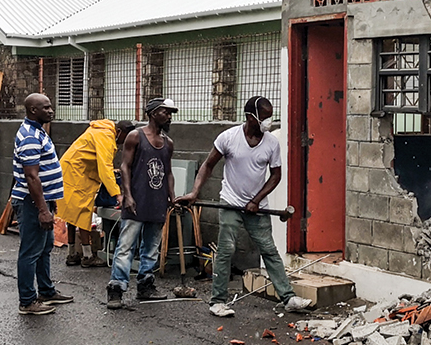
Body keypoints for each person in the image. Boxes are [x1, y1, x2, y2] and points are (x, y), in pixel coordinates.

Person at [176, 96, 311, 317]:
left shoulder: (271, 143)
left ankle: (288, 298)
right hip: (230, 202)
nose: (268, 123)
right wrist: (194, 192)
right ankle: (217, 301)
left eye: (269, 117)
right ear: (250, 117)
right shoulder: (228, 138)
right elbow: (208, 165)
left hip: (256, 208)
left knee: (269, 250)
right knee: (226, 250)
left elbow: (276, 176)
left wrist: (256, 201)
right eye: (264, 118)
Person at [106, 99, 176, 309]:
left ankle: (145, 285)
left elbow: (168, 172)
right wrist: (127, 194)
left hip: (157, 202)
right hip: (137, 200)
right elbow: (125, 166)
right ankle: (116, 289)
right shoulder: (135, 136)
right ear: (153, 113)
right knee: (126, 245)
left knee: (152, 247)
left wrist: (172, 196)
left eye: (171, 113)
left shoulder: (168, 143)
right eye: (166, 112)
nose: (170, 116)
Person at [12, 94, 72, 315]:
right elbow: (32, 177)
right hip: (32, 202)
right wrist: (43, 210)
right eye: (45, 107)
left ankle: (46, 291)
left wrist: (51, 202)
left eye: (50, 106)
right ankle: (27, 301)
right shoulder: (29, 136)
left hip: (43, 200)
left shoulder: (38, 131)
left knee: (44, 247)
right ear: (32, 110)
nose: (51, 110)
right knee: (30, 251)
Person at [57, 119, 135, 267]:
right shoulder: (106, 136)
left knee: (72, 215)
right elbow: (104, 167)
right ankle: (87, 256)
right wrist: (117, 194)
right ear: (119, 132)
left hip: (73, 171)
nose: (125, 142)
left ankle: (72, 253)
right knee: (82, 214)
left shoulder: (100, 130)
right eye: (126, 138)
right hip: (77, 174)